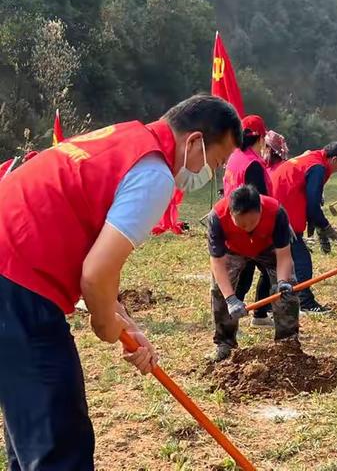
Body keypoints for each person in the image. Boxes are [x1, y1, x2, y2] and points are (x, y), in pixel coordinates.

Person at [0, 94, 242, 470]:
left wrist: (126, 325)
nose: (212, 171)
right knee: (58, 446)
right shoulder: (154, 174)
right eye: (216, 161)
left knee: (35, 435)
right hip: (15, 284)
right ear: (194, 141)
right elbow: (95, 275)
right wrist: (109, 328)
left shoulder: (127, 138)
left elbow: (97, 268)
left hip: (13, 277)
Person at [207, 185, 299, 361]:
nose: (246, 228)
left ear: (261, 210)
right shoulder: (217, 217)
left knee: (287, 290)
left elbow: (284, 256)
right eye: (240, 223)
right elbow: (217, 262)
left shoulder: (276, 212)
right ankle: (225, 343)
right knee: (219, 290)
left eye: (251, 223)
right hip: (232, 250)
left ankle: (288, 343)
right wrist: (230, 299)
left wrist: (282, 282)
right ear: (231, 212)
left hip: (267, 247)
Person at [271, 142, 337, 313]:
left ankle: (267, 306)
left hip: (276, 208)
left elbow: (310, 201)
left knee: (277, 261)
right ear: (334, 159)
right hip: (284, 213)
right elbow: (313, 206)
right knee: (301, 260)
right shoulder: (318, 167)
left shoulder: (311, 156)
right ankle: (306, 302)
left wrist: (320, 226)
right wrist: (325, 227)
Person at [223, 115, 274, 328]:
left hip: (232, 224)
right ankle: (261, 313)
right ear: (261, 137)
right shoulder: (253, 164)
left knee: (243, 273)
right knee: (276, 273)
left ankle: (238, 318)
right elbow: (260, 200)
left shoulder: (234, 157)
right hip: (252, 228)